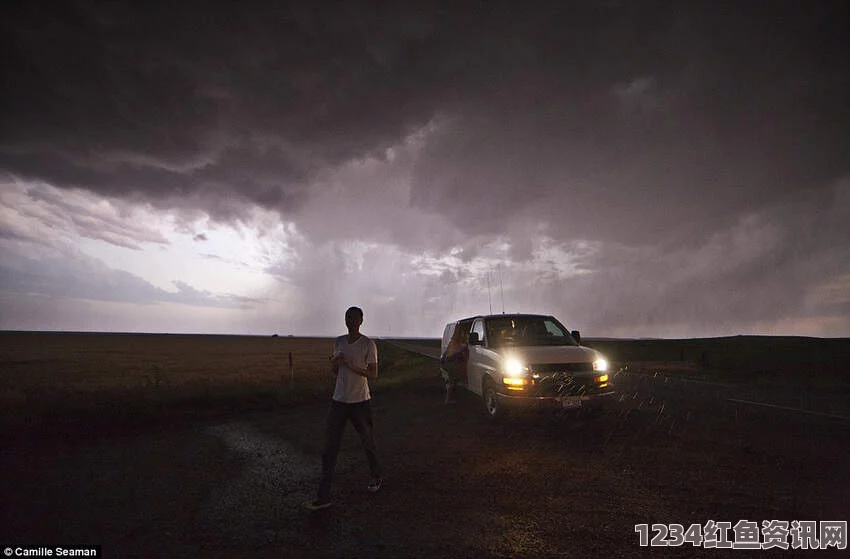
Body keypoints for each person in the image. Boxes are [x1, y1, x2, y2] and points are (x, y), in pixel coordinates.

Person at [303, 306, 381, 511]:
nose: (351, 321)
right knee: (329, 449)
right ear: (345, 320)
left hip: (360, 401)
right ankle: (323, 496)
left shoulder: (368, 344)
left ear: (361, 321)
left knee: (367, 442)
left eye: (354, 318)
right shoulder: (338, 341)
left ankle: (375, 475)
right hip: (338, 401)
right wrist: (336, 363)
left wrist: (350, 363)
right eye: (348, 317)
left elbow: (373, 374)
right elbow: (334, 372)